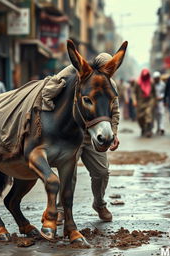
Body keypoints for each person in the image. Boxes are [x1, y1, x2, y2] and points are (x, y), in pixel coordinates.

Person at [49, 53, 120, 224]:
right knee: (68, 174)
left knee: (101, 172)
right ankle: (60, 210)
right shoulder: (77, 77)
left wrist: (114, 133)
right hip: (73, 135)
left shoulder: (111, 86)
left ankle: (99, 204)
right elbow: (53, 89)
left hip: (95, 136)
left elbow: (114, 112)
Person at [132, 68, 156, 137]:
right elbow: (133, 92)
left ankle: (149, 130)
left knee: (148, 114)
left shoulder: (151, 82)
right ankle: (143, 128)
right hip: (140, 102)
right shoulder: (137, 82)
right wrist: (134, 100)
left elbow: (154, 93)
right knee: (140, 117)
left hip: (149, 101)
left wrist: (154, 102)